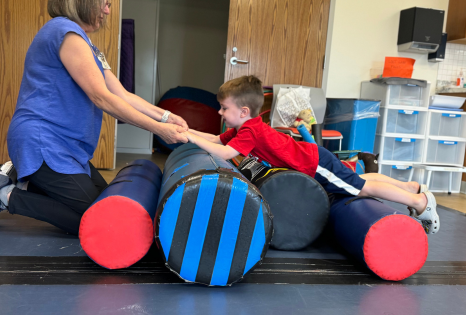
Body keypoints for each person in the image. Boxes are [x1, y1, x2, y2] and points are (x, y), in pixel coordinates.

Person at [0, 0, 188, 234]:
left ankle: (27, 184)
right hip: (44, 143)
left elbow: (122, 94)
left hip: (67, 148)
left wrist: (164, 116)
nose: (107, 11)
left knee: (108, 205)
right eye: (104, 3)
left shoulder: (86, 44)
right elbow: (101, 97)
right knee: (101, 222)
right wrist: (159, 130)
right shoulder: (64, 32)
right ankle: (5, 195)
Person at [184, 75, 440, 234]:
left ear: (243, 111)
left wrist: (190, 137)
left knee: (362, 189)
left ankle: (420, 203)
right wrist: (187, 130)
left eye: (223, 108)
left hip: (315, 163)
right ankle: (410, 186)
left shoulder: (249, 131)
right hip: (314, 157)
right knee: (358, 182)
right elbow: (217, 140)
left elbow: (225, 152)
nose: (219, 112)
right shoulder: (244, 127)